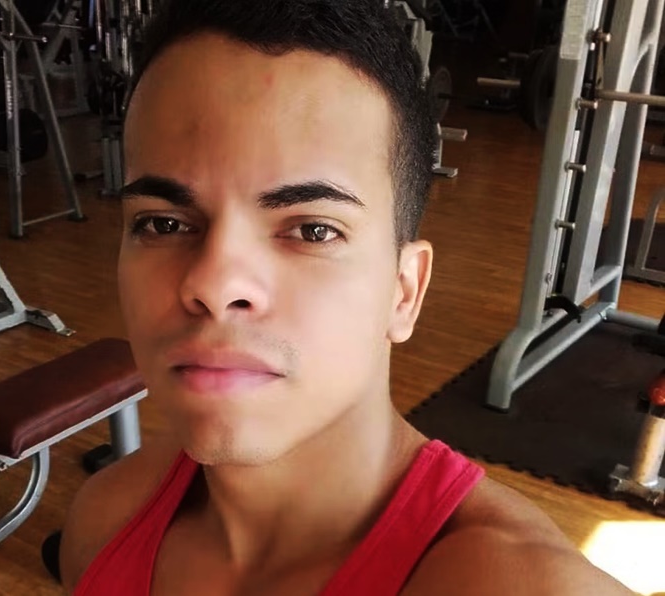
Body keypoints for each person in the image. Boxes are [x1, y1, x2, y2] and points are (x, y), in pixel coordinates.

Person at [59, 1, 633, 594]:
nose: (214, 284)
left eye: (313, 230)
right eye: (163, 224)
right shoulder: (104, 518)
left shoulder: (517, 584)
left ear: (404, 291)